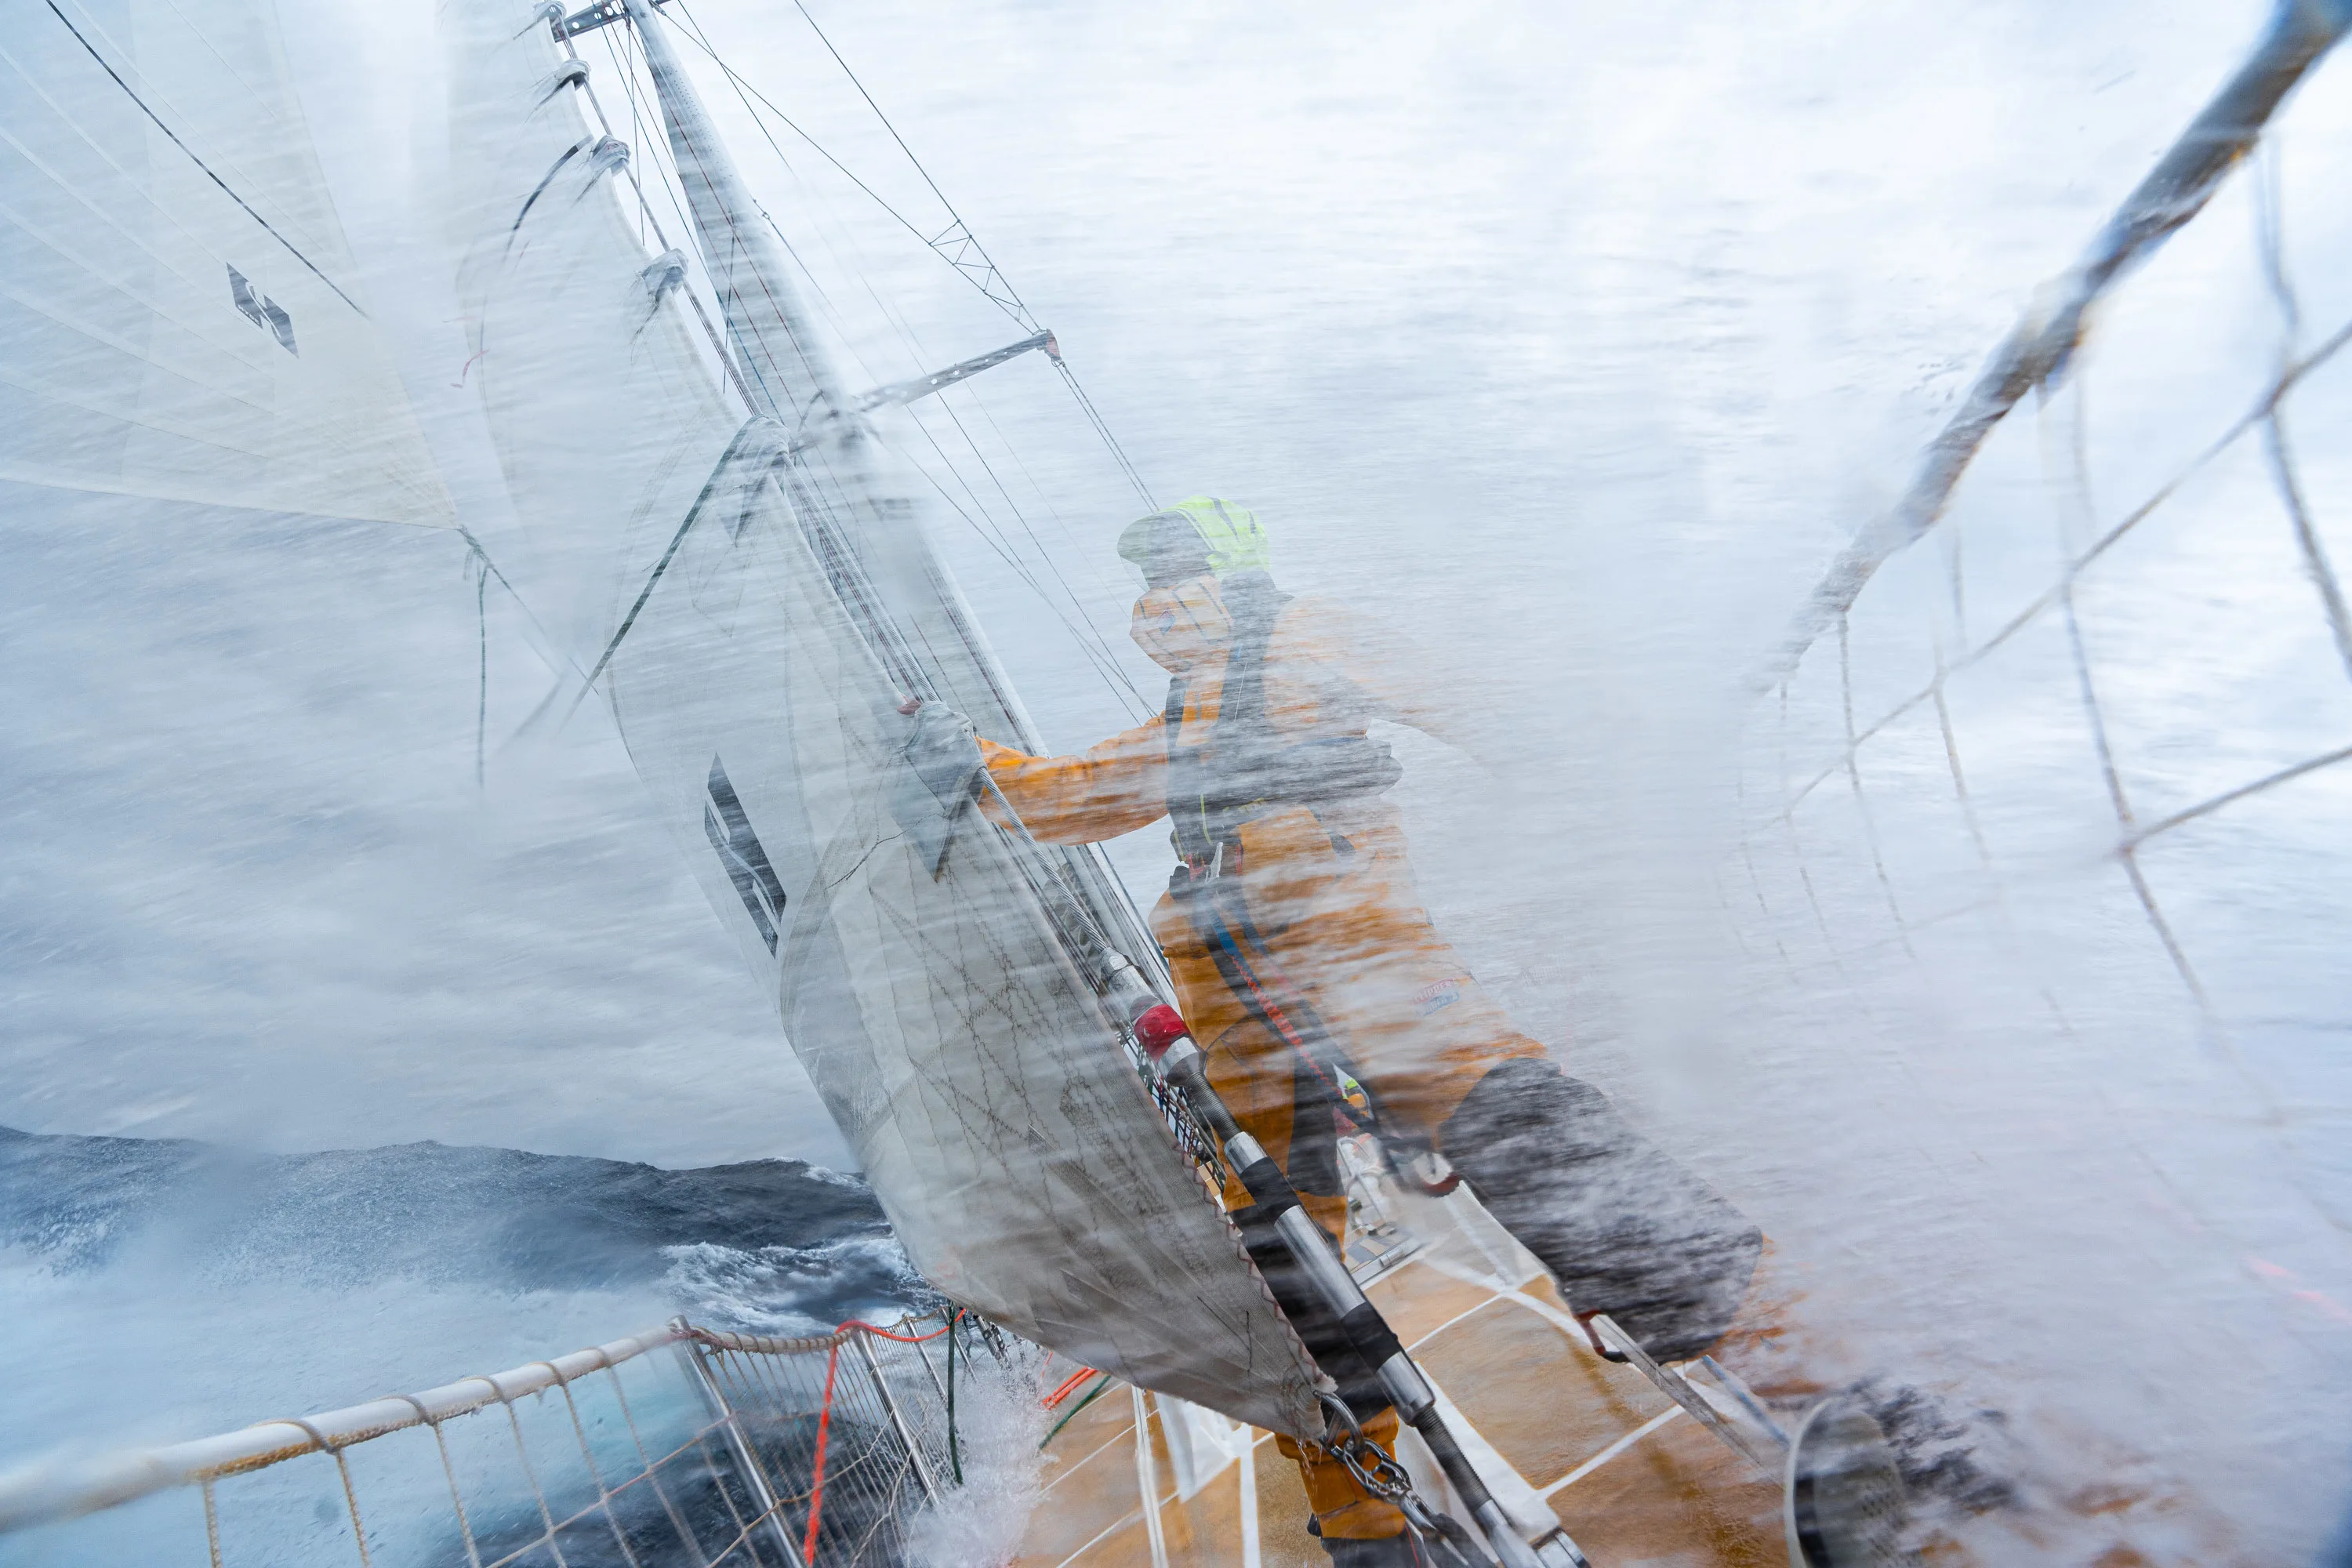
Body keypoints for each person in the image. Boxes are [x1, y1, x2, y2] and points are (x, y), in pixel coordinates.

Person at [978, 497, 1766, 1563]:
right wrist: (970, 768)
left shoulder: (1311, 635)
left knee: (1525, 1128)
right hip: (1238, 998)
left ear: (1233, 565)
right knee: (1285, 1257)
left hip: (1365, 957)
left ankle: (1788, 1353)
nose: (1159, 592)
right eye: (1150, 574)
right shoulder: (1181, 715)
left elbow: (1473, 704)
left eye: (1179, 564)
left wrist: (1604, 763)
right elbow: (1077, 796)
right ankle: (1363, 1523)